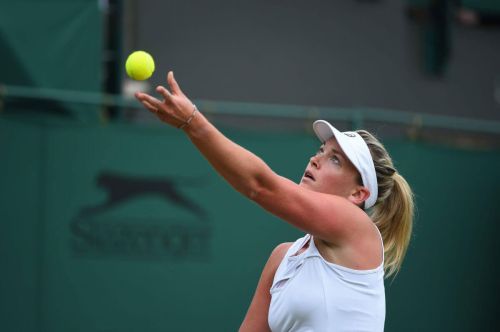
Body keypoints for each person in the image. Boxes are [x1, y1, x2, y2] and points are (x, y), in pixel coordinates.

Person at [135, 72, 414, 332]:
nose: (315, 159)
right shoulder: (283, 257)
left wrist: (192, 122)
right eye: (321, 150)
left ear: (358, 195)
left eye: (335, 160)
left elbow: (260, 186)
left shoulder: (357, 229)